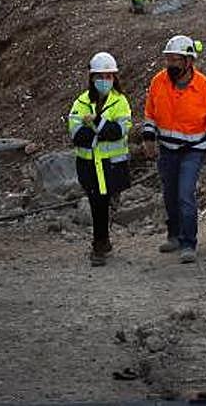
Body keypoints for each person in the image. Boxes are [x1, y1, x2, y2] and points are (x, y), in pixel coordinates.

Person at [140, 35, 206, 263]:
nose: (170, 65)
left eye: (176, 60)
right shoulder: (158, 82)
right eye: (168, 60)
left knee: (185, 194)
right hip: (167, 150)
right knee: (170, 194)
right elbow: (150, 113)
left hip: (194, 150)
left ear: (189, 62)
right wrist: (148, 139)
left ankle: (189, 242)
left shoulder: (204, 87)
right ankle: (174, 235)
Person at [65, 51, 132, 266]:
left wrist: (95, 123)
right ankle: (100, 244)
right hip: (88, 165)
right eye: (100, 76)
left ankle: (101, 241)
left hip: (111, 165)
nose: (105, 81)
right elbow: (77, 134)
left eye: (109, 76)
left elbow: (118, 131)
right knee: (97, 203)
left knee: (103, 203)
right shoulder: (81, 102)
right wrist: (100, 130)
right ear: (92, 78)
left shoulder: (120, 102)